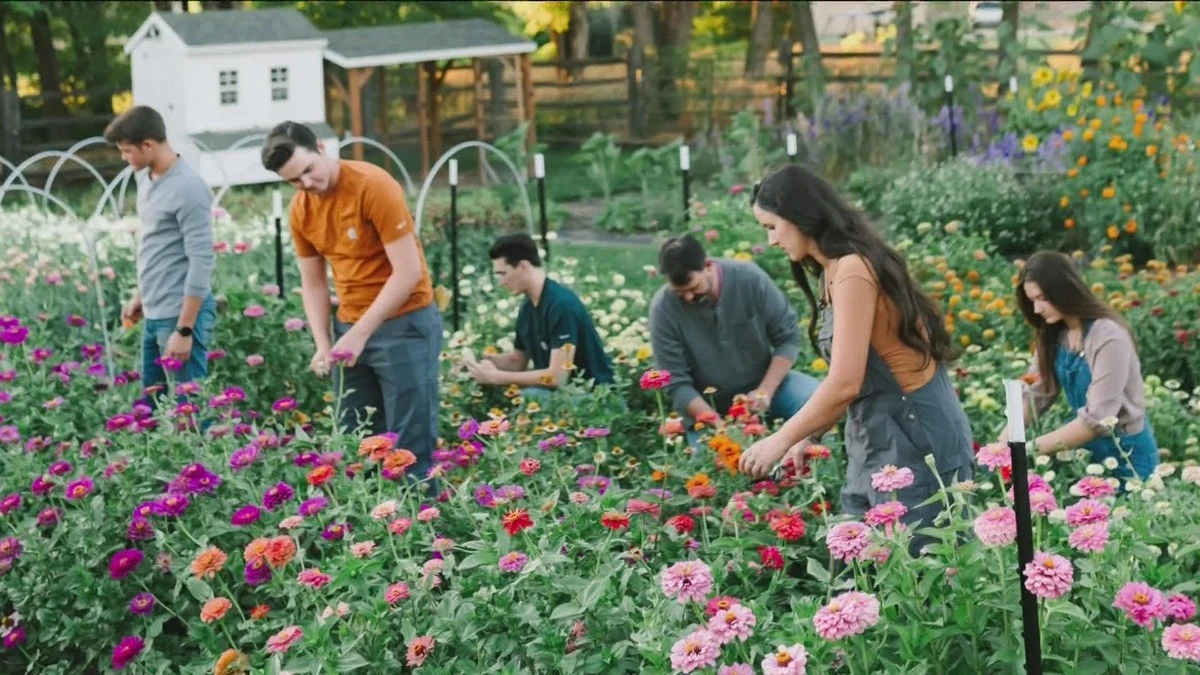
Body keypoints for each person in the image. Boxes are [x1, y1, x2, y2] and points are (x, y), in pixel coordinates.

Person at [738, 165, 974, 538]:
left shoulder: (853, 270)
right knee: (863, 559)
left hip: (915, 433)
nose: (771, 241)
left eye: (772, 227)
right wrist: (809, 435)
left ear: (800, 216)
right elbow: (852, 377)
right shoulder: (831, 271)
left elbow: (845, 382)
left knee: (920, 560)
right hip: (874, 433)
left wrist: (780, 439)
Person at [261, 121, 441, 481]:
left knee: (409, 451)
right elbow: (313, 284)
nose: (306, 184)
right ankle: (371, 518)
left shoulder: (372, 185)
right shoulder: (301, 210)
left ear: (322, 148)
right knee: (357, 443)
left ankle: (421, 515)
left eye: (308, 170)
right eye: (294, 181)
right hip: (350, 328)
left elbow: (408, 273)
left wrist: (359, 333)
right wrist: (323, 344)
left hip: (404, 323)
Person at [995, 250, 1158, 481]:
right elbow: (1037, 393)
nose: (1037, 309)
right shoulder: (1054, 333)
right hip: (1086, 455)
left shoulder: (1108, 337)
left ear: (1065, 290)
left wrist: (1024, 450)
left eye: (1043, 298)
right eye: (1032, 301)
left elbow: (1098, 419)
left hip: (1128, 457)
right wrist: (1004, 441)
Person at [648, 234, 820, 439]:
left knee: (816, 403)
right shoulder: (663, 310)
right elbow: (676, 382)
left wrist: (765, 392)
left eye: (693, 288)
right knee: (716, 455)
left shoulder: (748, 278)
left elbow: (787, 337)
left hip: (765, 386)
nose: (688, 297)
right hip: (709, 406)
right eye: (679, 293)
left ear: (708, 265)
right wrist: (721, 427)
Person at [105, 105, 217, 405]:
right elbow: (158, 246)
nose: (123, 158)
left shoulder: (188, 188)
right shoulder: (146, 179)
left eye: (127, 151)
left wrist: (184, 329)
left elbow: (201, 260)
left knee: (190, 410)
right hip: (155, 312)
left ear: (148, 145)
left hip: (179, 315)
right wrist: (141, 296)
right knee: (153, 409)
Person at [465, 233, 614, 399]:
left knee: (529, 397)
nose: (501, 282)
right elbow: (516, 362)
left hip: (594, 399)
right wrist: (475, 364)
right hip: (561, 397)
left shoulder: (561, 305)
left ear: (523, 266)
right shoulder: (528, 306)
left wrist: (496, 377)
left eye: (503, 273)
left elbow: (557, 377)